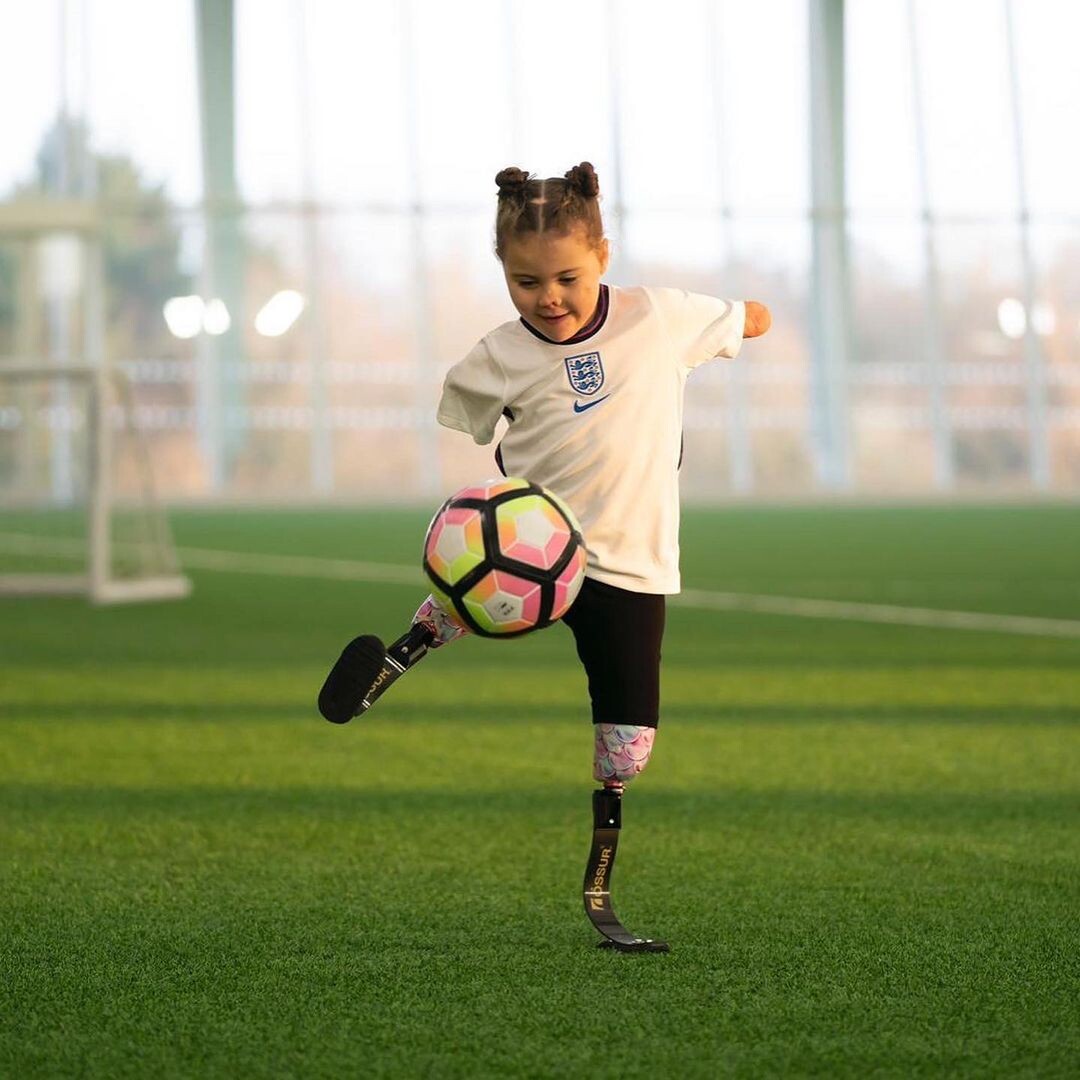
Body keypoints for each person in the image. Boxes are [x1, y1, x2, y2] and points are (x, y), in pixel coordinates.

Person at [320, 161, 770, 795]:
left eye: (567, 278)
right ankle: (408, 647)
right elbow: (478, 431)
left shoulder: (658, 317)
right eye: (525, 281)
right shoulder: (497, 356)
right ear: (501, 268)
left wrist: (749, 316)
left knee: (629, 738)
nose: (549, 297)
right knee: (472, 583)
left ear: (603, 256)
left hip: (630, 562)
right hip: (530, 542)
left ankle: (605, 823)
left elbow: (750, 318)